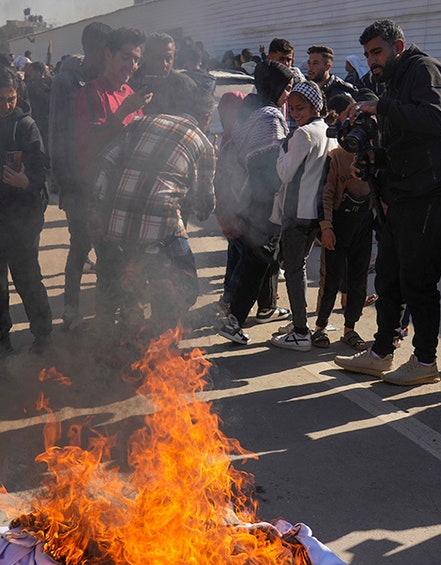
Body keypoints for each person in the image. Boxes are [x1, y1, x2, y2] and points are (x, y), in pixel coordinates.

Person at [333, 19, 441, 386]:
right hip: (404, 195)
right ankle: (381, 353)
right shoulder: (393, 80)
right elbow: (406, 141)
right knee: (390, 276)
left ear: (399, 46)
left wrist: (379, 108)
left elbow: (434, 120)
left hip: (434, 196)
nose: (371, 61)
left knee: (418, 281)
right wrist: (376, 158)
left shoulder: (425, 69)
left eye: (377, 51)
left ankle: (425, 361)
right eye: (367, 54)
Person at [89, 72, 216, 335]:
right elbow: (204, 209)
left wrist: (97, 211)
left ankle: (128, 330)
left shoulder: (140, 122)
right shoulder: (203, 143)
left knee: (132, 285)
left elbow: (105, 163)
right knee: (186, 286)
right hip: (158, 232)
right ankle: (159, 334)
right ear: (207, 117)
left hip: (114, 228)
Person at [74, 27, 153, 328]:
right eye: (125, 58)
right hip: (100, 199)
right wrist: (123, 112)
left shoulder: (132, 94)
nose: (131, 66)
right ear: (108, 54)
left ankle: (129, 335)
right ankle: (105, 337)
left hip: (129, 198)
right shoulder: (92, 92)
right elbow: (91, 143)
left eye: (135, 60)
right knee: (108, 269)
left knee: (132, 268)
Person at [216, 59, 293, 345]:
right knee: (257, 259)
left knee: (263, 257)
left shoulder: (250, 110)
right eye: (286, 88)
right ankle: (234, 320)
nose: (288, 94)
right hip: (263, 199)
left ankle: (266, 308)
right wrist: (275, 203)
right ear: (275, 87)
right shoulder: (270, 117)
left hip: (245, 195)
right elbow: (267, 164)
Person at [0, 67, 54, 353]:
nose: (6, 105)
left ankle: (44, 334)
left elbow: (41, 166)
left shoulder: (26, 125)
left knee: (28, 277)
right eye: (0, 99)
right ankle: (1, 336)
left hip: (23, 214)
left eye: (11, 99)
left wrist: (26, 181)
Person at [49, 21, 111, 329]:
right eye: (105, 50)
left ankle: (102, 313)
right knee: (79, 247)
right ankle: (71, 311)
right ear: (92, 49)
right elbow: (57, 133)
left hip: (105, 182)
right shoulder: (67, 82)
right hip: (77, 182)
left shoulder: (108, 81)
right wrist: (65, 184)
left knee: (105, 250)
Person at [268, 81, 335, 351]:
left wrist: (281, 151)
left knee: (294, 269)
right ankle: (302, 322)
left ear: (315, 106)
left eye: (301, 108)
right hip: (318, 212)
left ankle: (299, 331)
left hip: (297, 212)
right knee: (302, 268)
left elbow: (284, 173)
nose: (295, 113)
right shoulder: (329, 131)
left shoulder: (302, 134)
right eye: (292, 108)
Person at [313, 113, 378, 353]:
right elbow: (326, 194)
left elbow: (380, 194)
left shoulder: (374, 157)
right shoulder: (336, 157)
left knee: (358, 281)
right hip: (339, 224)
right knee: (331, 279)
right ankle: (320, 327)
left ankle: (350, 328)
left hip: (363, 225)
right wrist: (326, 227)